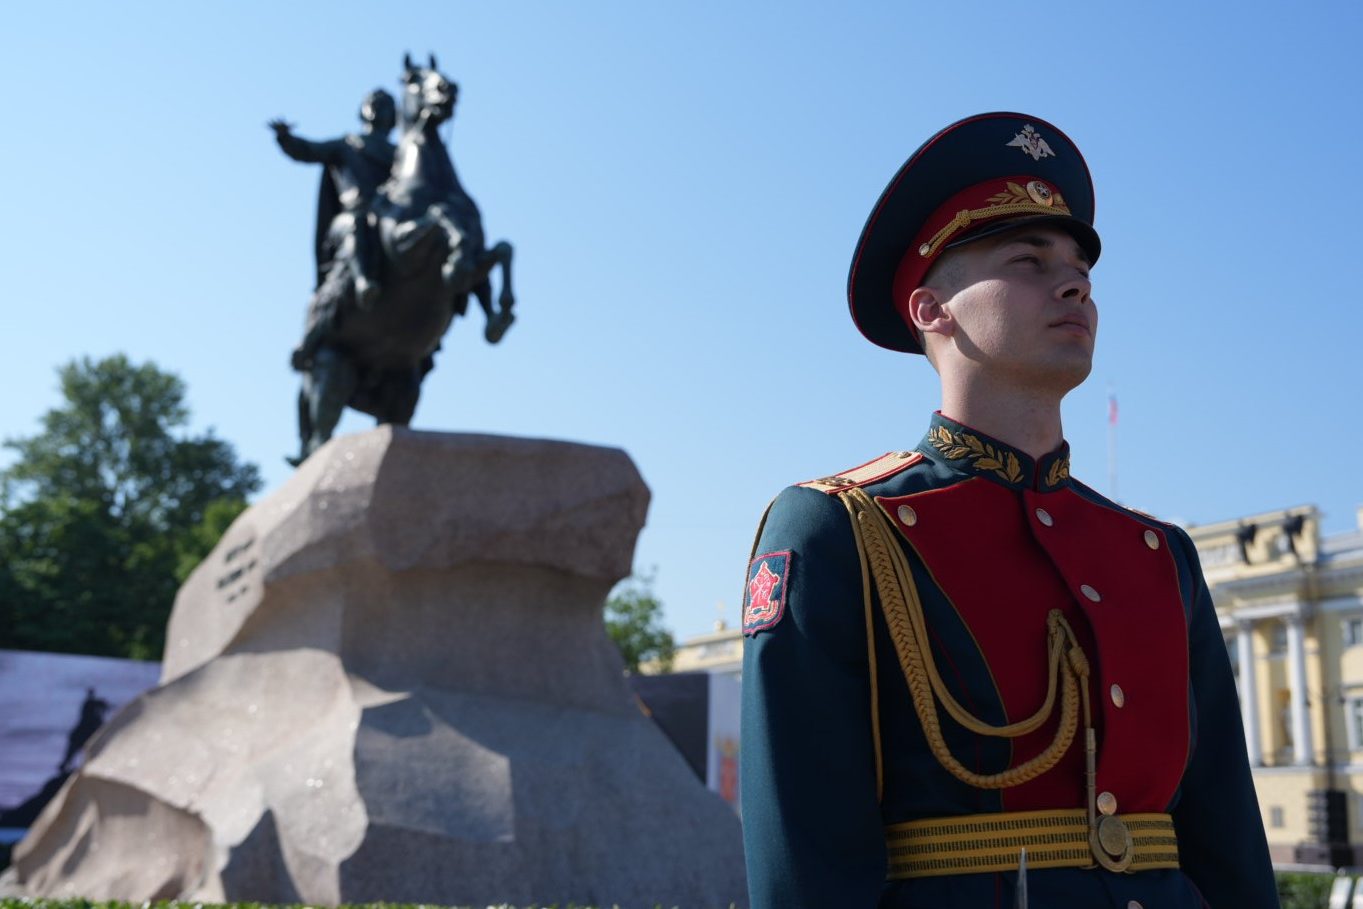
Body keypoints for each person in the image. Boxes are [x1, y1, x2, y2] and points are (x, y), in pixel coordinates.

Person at [739, 112, 1279, 908]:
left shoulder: (1157, 553)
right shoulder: (840, 530)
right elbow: (806, 858)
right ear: (931, 310)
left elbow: (1226, 839)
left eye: (1079, 271)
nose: (1073, 284)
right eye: (1028, 260)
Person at [269, 89, 398, 369]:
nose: (380, 110)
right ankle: (362, 281)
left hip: (386, 220)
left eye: (387, 106)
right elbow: (309, 151)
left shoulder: (400, 155)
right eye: (374, 105)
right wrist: (285, 138)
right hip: (349, 220)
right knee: (357, 223)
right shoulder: (347, 145)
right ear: (364, 112)